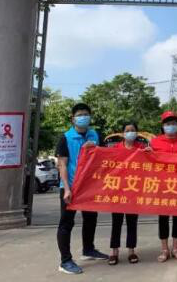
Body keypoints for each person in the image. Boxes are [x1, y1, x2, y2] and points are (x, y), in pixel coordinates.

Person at [56, 102, 108, 275]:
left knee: (91, 218)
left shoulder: (95, 135)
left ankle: (88, 249)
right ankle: (65, 261)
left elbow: (105, 158)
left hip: (89, 186)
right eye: (79, 115)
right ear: (72, 119)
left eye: (86, 114)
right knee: (66, 223)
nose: (83, 117)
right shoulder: (66, 138)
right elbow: (62, 165)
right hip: (71, 186)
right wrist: (67, 189)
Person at [150, 110, 177, 262]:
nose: (171, 126)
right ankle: (164, 250)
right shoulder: (155, 142)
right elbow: (148, 161)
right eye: (168, 123)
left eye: (173, 123)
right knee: (163, 217)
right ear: (163, 126)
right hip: (162, 185)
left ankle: (175, 248)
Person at [108, 122, 144, 265]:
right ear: (123, 133)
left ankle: (131, 251)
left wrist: (150, 153)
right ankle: (114, 252)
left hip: (133, 190)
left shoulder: (141, 148)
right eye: (127, 130)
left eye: (132, 130)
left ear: (137, 132)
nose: (130, 132)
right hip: (117, 190)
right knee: (116, 222)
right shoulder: (115, 148)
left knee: (132, 222)